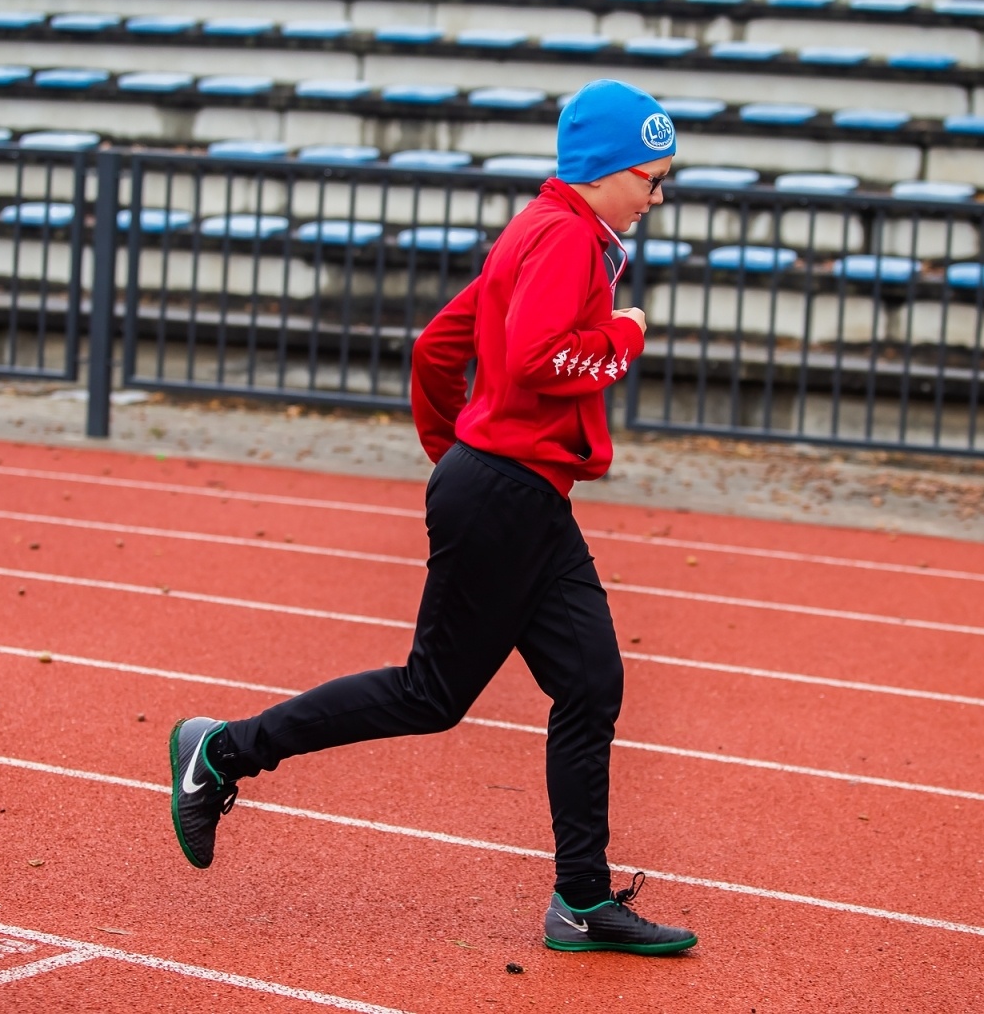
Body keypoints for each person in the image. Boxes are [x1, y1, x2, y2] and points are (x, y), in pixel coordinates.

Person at [171, 79, 697, 956]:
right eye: (653, 176)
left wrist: (451, 451)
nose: (658, 195)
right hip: (505, 491)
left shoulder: (544, 229)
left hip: (516, 490)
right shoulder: (567, 236)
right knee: (431, 695)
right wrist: (624, 340)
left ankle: (580, 898)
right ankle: (223, 752)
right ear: (606, 171)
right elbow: (536, 361)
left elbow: (438, 345)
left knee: (591, 682)